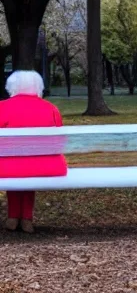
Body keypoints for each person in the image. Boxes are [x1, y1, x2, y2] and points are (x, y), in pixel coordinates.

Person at [0, 70, 67, 233]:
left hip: (8, 167)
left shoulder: (2, 107)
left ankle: (13, 217)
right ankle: (26, 218)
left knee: (14, 165)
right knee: (30, 165)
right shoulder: (51, 108)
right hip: (46, 166)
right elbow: (59, 141)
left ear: (11, 87)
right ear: (38, 87)